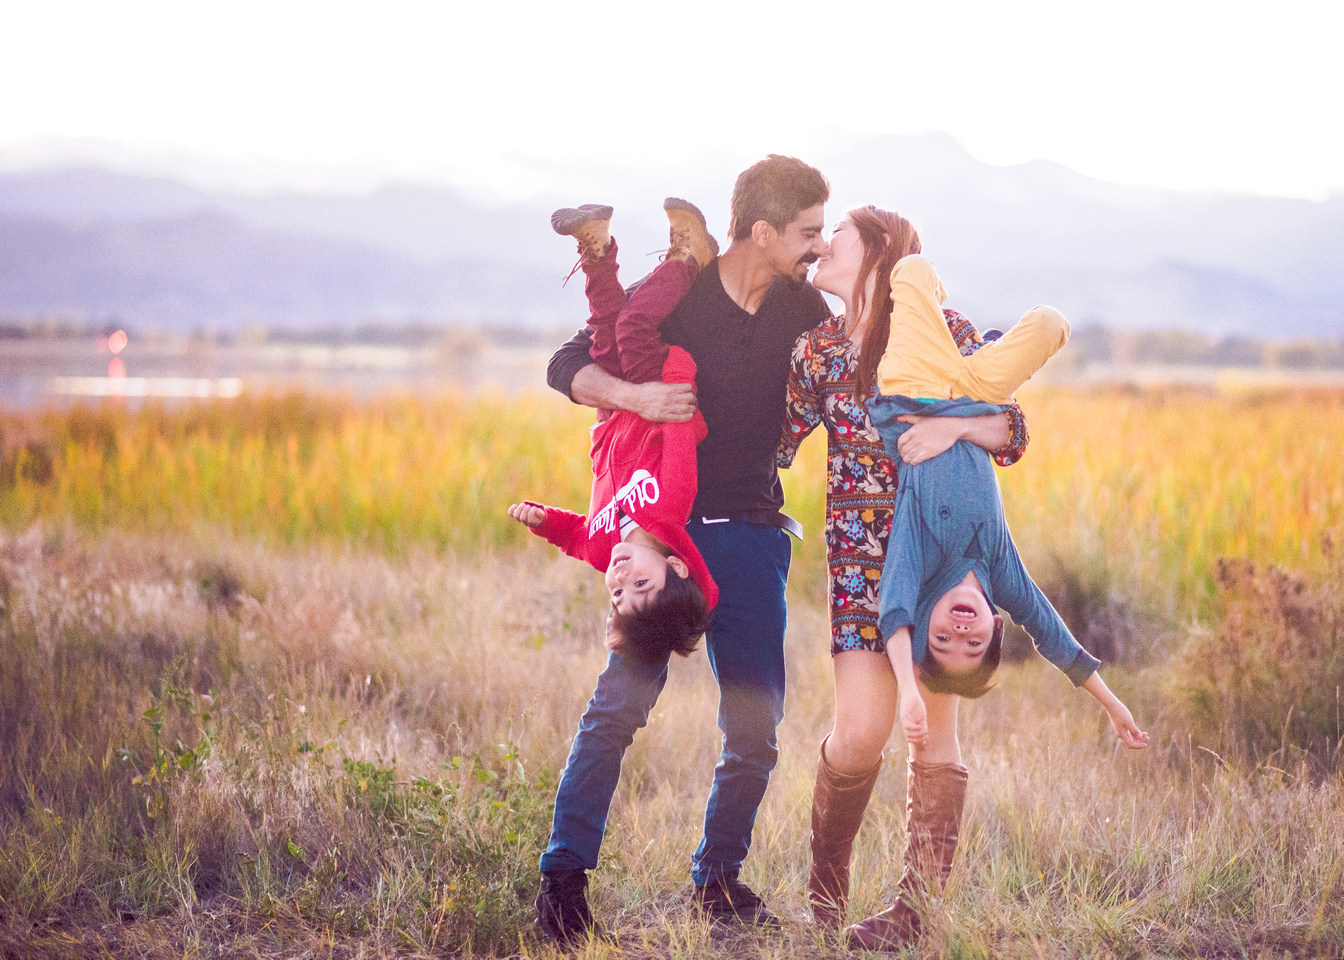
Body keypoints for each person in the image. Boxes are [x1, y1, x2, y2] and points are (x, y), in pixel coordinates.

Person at [538, 155, 832, 943]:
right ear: (763, 231)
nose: (819, 245)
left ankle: (717, 880)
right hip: (662, 538)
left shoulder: (804, 307)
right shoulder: (682, 293)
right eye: (808, 232)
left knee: (756, 731)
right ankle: (562, 883)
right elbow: (567, 364)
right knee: (618, 709)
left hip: (753, 538)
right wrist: (633, 395)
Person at [849, 244, 1149, 949]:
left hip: (913, 389)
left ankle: (955, 331)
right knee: (1051, 323)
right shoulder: (1001, 572)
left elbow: (890, 615)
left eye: (943, 639)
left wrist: (911, 691)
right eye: (973, 641)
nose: (960, 628)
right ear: (993, 629)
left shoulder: (920, 561)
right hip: (976, 397)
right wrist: (1113, 704)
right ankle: (977, 349)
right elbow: (1053, 634)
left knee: (910, 272)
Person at [777, 206, 1030, 932]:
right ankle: (827, 899)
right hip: (860, 564)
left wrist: (954, 425)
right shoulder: (817, 350)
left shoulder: (942, 330)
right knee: (860, 733)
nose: (823, 244)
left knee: (931, 733)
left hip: (942, 564)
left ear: (879, 250)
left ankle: (914, 914)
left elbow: (1012, 430)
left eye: (839, 234)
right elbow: (777, 442)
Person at [508, 199, 719, 664]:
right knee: (632, 327)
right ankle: (689, 258)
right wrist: (676, 374)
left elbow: (575, 536)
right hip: (656, 398)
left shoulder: (603, 551)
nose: (621, 579)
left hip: (613, 416)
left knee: (606, 332)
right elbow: (680, 434)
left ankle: (597, 248)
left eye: (618, 595)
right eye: (641, 583)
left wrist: (544, 521)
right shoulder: (670, 507)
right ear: (676, 565)